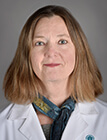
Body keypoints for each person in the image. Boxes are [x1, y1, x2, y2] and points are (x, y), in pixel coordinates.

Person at [0, 5, 107, 140]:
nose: (51, 52)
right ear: (27, 55)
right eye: (39, 43)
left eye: (62, 41)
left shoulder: (105, 120)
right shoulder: (2, 126)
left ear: (79, 51)